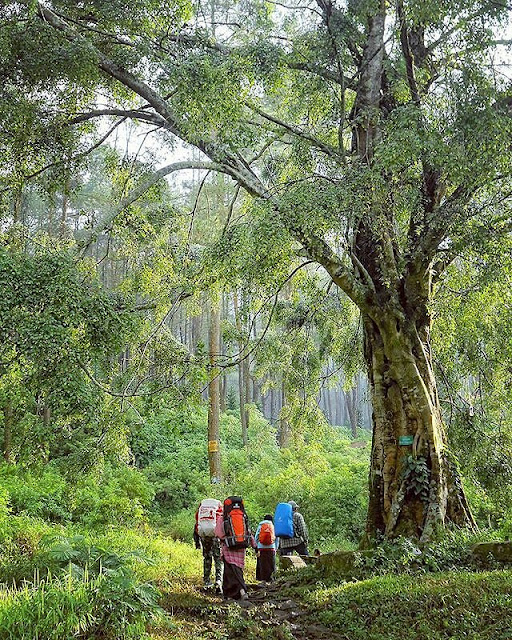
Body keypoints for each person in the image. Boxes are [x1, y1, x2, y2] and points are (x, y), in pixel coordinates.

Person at [215, 496, 256, 601]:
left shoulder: (223, 518)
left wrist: (225, 539)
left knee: (230, 572)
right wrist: (255, 546)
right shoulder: (243, 517)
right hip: (241, 548)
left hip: (228, 547)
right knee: (238, 570)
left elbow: (218, 533)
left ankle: (237, 593)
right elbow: (249, 532)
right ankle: (239, 593)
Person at [193, 498, 223, 593]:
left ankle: (206, 581)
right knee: (218, 558)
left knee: (207, 558)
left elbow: (196, 522)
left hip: (203, 535)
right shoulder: (218, 507)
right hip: (215, 535)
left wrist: (197, 541)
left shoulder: (202, 509)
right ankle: (218, 580)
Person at [255, 514, 278, 582]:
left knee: (262, 564)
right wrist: (275, 547)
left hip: (261, 548)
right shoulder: (273, 526)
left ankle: (263, 580)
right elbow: (277, 538)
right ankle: (272, 579)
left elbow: (256, 537)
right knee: (271, 564)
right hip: (271, 548)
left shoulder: (261, 525)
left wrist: (257, 546)